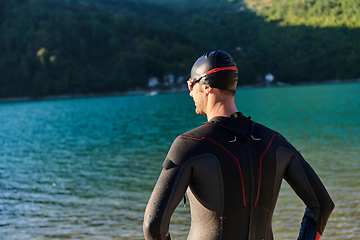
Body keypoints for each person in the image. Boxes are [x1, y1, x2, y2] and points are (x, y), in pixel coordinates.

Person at [143, 50, 334, 240]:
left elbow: (153, 225)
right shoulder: (275, 142)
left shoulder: (191, 145)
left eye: (191, 84)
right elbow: (322, 205)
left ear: (206, 87)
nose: (190, 91)